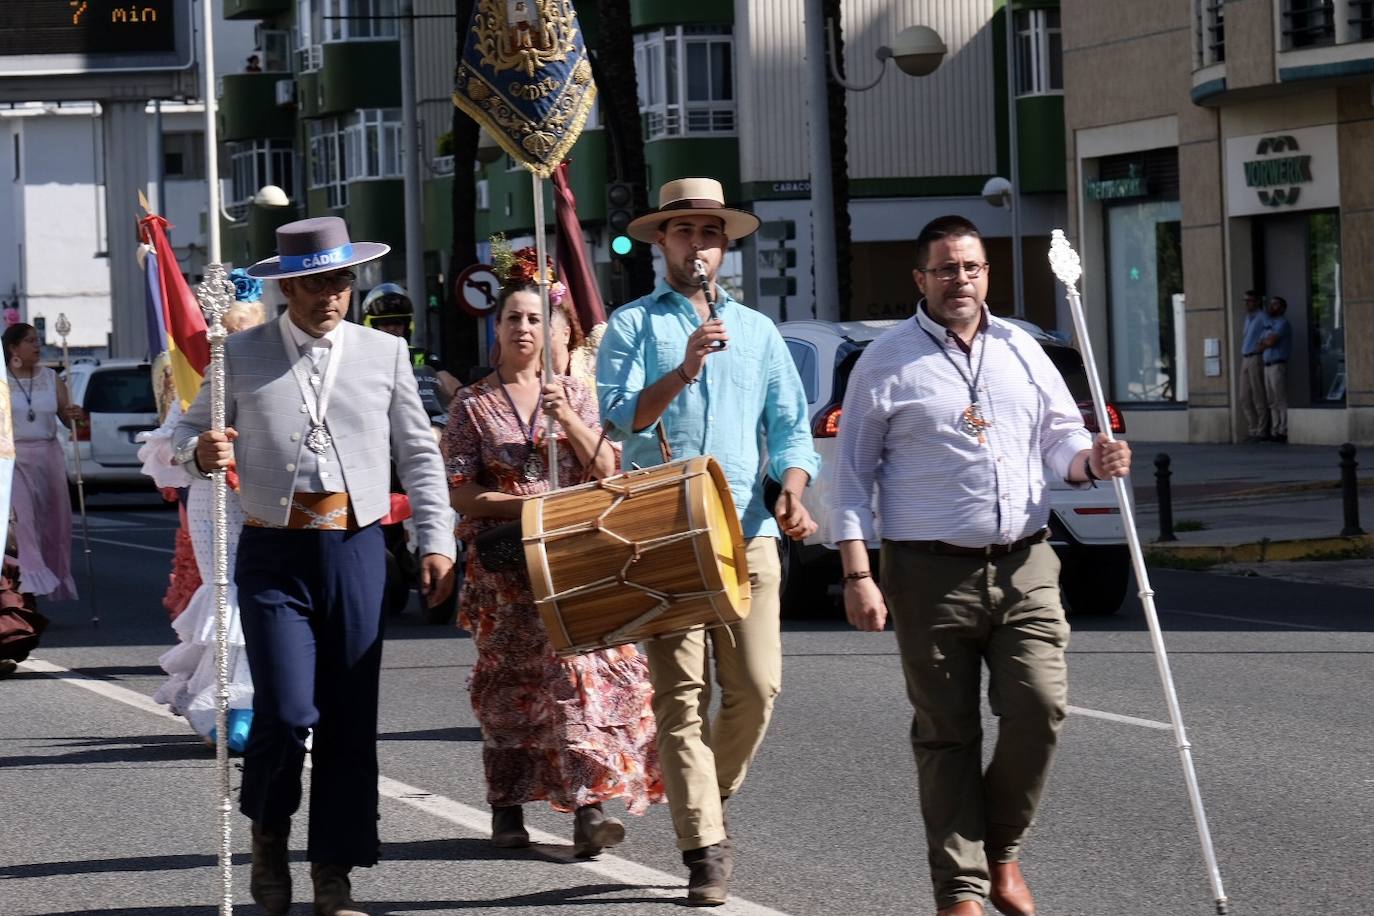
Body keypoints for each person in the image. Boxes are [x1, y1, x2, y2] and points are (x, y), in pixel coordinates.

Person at [830, 215, 1133, 916]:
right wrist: (857, 573)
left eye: (969, 267)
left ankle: (1001, 851)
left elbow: (1060, 441)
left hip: (1026, 561)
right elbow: (853, 477)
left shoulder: (1023, 351)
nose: (958, 280)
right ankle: (960, 891)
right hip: (927, 571)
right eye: (944, 269)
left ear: (986, 273)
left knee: (1040, 705)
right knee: (947, 733)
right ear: (921, 280)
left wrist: (1091, 461)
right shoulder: (887, 361)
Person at [173, 217, 456, 916]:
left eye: (342, 280)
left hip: (358, 546)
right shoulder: (237, 354)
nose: (333, 294)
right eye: (317, 282)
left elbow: (420, 454)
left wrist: (436, 539)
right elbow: (185, 434)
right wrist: (199, 453)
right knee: (289, 707)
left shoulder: (383, 355)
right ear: (287, 287)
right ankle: (270, 832)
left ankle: (335, 869)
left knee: (350, 717)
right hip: (275, 549)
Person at [596, 177, 820, 906]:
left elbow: (791, 429)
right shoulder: (631, 325)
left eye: (711, 233)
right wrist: (686, 365)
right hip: (662, 531)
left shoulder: (757, 332)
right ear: (661, 242)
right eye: (685, 232)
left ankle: (707, 801)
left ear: (725, 248)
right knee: (679, 697)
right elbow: (622, 418)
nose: (700, 245)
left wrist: (790, 487)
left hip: (747, 533)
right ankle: (704, 850)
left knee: (757, 687)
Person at [443, 248, 663, 857]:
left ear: (553, 330)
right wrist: (525, 508)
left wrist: (570, 420)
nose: (523, 328)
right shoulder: (473, 404)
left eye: (535, 319)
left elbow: (606, 468)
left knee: (581, 679)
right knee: (511, 684)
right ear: (499, 328)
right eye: (513, 318)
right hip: (507, 571)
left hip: (572, 559)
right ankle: (507, 810)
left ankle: (589, 809)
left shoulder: (572, 394)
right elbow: (461, 490)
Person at [141, 274, 268, 750]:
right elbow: (168, 451)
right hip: (212, 499)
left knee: (262, 593)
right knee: (230, 590)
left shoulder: (272, 370)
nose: (235, 340)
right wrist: (201, 448)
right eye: (227, 332)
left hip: (265, 498)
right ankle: (231, 705)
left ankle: (259, 703)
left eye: (245, 330)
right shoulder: (198, 380)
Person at [4, 323, 80, 603]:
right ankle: (30, 579)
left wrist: (74, 414)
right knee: (23, 520)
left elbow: (68, 418)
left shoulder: (51, 377)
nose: (37, 346)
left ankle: (51, 577)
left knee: (54, 523)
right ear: (13, 348)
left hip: (49, 455)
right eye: (30, 341)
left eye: (38, 340)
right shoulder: (2, 380)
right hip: (15, 458)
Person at [360, 282, 460, 414]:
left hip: (421, 417)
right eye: (385, 323)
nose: (391, 328)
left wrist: (464, 396)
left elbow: (448, 383)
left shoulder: (419, 356)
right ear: (371, 326)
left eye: (397, 323)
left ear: (407, 326)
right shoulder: (360, 359)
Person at [1237, 290, 1270, 443]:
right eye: (1245, 300)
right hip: (1245, 357)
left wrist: (1262, 345)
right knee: (1244, 396)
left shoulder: (1262, 316)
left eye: (1249, 300)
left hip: (1255, 357)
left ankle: (1262, 431)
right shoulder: (1248, 317)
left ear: (1257, 302)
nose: (1246, 303)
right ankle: (1253, 428)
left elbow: (1272, 331)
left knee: (1258, 394)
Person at [1260, 295, 1292, 443]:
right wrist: (1266, 342)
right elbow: (1260, 343)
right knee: (1271, 400)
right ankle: (1275, 429)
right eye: (1271, 304)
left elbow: (1271, 341)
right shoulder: (1269, 325)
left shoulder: (1283, 323)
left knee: (1280, 398)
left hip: (1277, 364)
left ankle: (1283, 430)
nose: (1272, 307)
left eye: (1276, 305)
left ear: (1283, 308)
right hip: (1267, 365)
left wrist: (1267, 342)